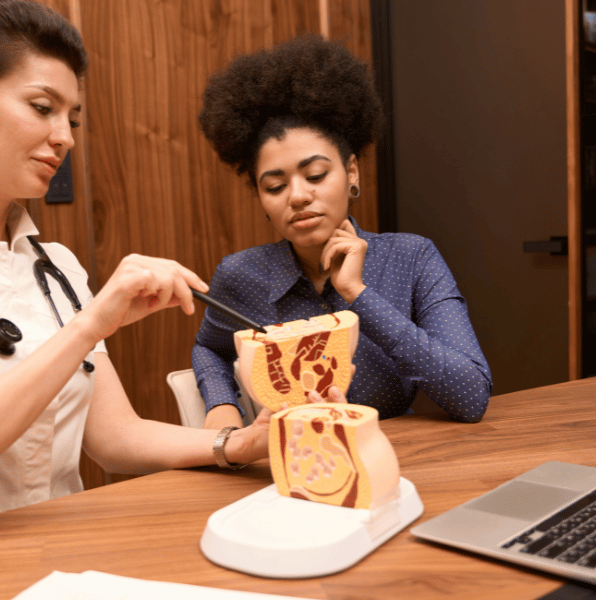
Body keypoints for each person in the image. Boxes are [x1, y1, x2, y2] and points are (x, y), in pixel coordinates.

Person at [0, 0, 338, 556]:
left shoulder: (55, 266)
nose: (65, 137)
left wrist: (235, 443)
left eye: (72, 119)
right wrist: (88, 326)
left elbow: (113, 438)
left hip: (54, 559)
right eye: (42, 107)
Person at [192, 35, 492, 429]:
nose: (298, 196)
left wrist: (357, 294)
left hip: (397, 459)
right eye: (275, 186)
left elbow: (471, 396)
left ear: (351, 171)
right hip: (288, 469)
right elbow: (209, 348)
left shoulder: (412, 258)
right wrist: (220, 406)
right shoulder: (240, 276)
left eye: (315, 175)